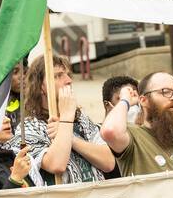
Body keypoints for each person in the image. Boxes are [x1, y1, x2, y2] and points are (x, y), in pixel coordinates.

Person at [21, 56, 115, 185]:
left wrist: (71, 137)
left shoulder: (81, 119)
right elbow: (57, 165)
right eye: (58, 76)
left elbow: (108, 163)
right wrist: (65, 119)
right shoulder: (29, 127)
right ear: (40, 86)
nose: (69, 80)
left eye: (68, 74)